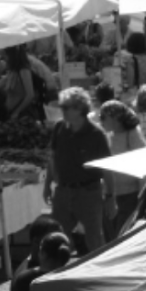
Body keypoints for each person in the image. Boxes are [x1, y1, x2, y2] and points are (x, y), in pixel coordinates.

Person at [46, 86, 112, 252]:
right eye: (62, 107)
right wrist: (47, 185)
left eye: (66, 107)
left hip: (89, 192)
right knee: (57, 239)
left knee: (94, 241)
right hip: (63, 191)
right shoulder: (59, 128)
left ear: (80, 108)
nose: (62, 111)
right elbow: (52, 158)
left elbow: (107, 168)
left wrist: (110, 197)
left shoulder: (96, 134)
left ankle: (97, 268)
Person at [99, 99, 146, 234]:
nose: (100, 121)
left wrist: (142, 197)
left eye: (103, 117)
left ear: (116, 118)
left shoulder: (132, 134)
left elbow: (144, 164)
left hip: (129, 196)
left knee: (123, 233)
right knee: (110, 235)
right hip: (110, 195)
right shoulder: (107, 135)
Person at [0, 44, 58, 123]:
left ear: (12, 56)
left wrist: (16, 112)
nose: (5, 59)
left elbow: (30, 95)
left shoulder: (24, 70)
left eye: (6, 56)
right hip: (12, 112)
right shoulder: (13, 71)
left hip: (22, 114)